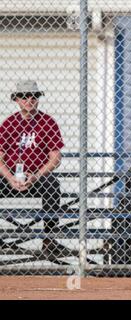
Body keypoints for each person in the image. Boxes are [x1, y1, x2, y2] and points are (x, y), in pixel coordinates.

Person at [0, 80, 65, 257]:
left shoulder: (47, 122)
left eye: (34, 96)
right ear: (16, 100)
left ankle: (48, 239)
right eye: (23, 96)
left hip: (36, 176)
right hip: (11, 176)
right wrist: (9, 178)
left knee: (52, 185)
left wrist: (35, 176)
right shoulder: (9, 123)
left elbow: (55, 158)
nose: (29, 100)